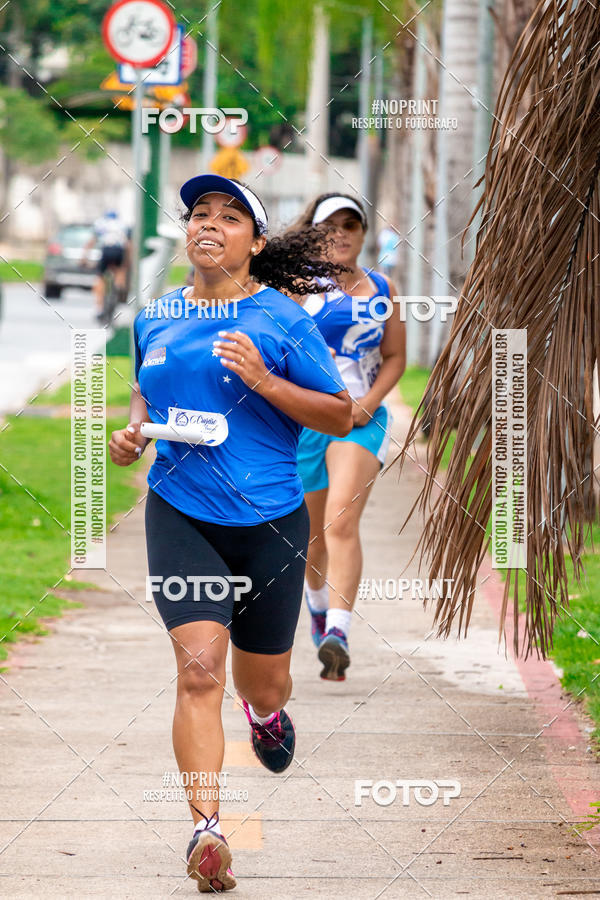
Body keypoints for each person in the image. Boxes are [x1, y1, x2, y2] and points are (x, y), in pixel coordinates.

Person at [108, 175, 352, 893]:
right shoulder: (155, 317)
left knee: (265, 682)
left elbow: (339, 415)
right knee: (196, 672)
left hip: (272, 521)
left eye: (229, 215)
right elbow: (144, 405)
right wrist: (130, 438)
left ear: (257, 240)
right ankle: (206, 830)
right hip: (180, 512)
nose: (209, 224)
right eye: (199, 214)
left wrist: (265, 380)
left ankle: (264, 712)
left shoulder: (282, 320)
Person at [290, 193, 406, 681]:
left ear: (364, 234)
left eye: (350, 224)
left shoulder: (382, 287)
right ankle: (318, 609)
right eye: (329, 225)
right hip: (305, 424)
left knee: (340, 522)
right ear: (312, 233)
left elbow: (396, 356)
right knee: (311, 541)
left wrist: (371, 402)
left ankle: (338, 630)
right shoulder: (292, 288)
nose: (340, 233)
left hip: (360, 422)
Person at [82, 209, 130, 322]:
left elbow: (92, 241)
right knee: (119, 272)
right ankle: (118, 290)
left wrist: (84, 257)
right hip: (119, 251)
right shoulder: (122, 225)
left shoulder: (101, 223)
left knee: (100, 278)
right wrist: (126, 264)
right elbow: (128, 245)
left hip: (106, 250)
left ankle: (98, 308)